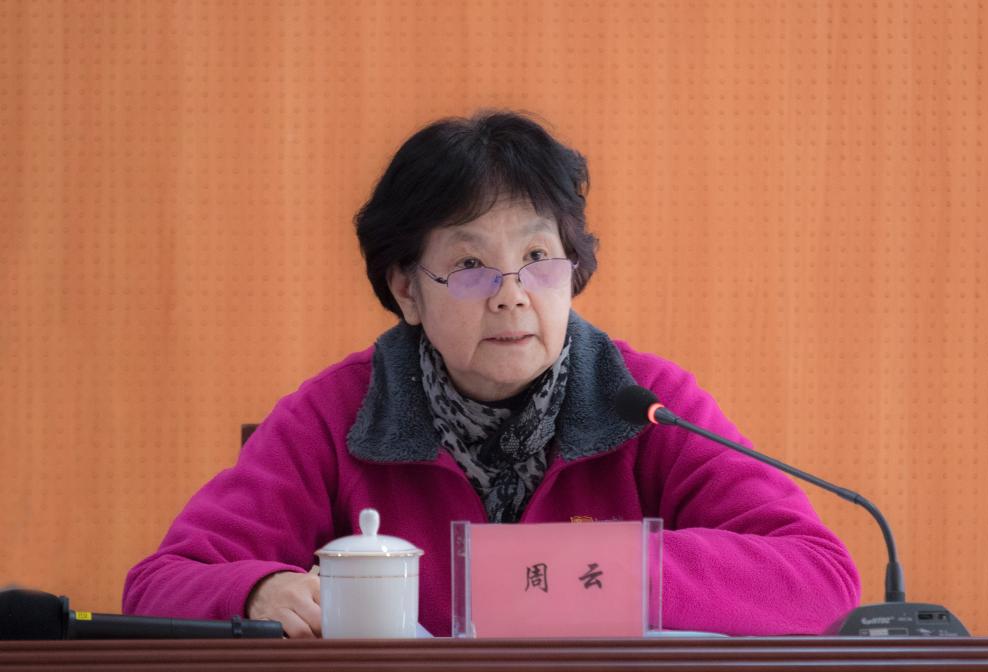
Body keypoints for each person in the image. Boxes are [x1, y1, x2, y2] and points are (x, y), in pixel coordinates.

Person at [123, 111, 860, 638]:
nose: (512, 294)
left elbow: (821, 578)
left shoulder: (642, 404)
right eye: (471, 264)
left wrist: (591, 572)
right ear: (408, 290)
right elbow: (158, 583)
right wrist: (257, 591)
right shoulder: (336, 414)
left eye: (538, 258)